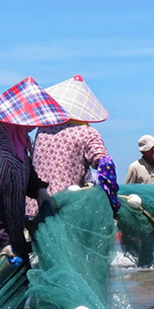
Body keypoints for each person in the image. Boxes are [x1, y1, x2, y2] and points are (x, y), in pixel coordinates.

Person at [0, 77, 67, 309]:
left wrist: (40, 191)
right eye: (29, 121)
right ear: (15, 119)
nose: (33, 126)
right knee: (14, 286)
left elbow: (27, 177)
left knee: (21, 284)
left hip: (12, 222)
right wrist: (4, 243)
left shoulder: (20, 142)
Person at [28, 75, 120, 215]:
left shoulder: (43, 130)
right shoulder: (87, 133)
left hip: (34, 206)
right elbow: (105, 164)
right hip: (64, 208)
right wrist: (112, 200)